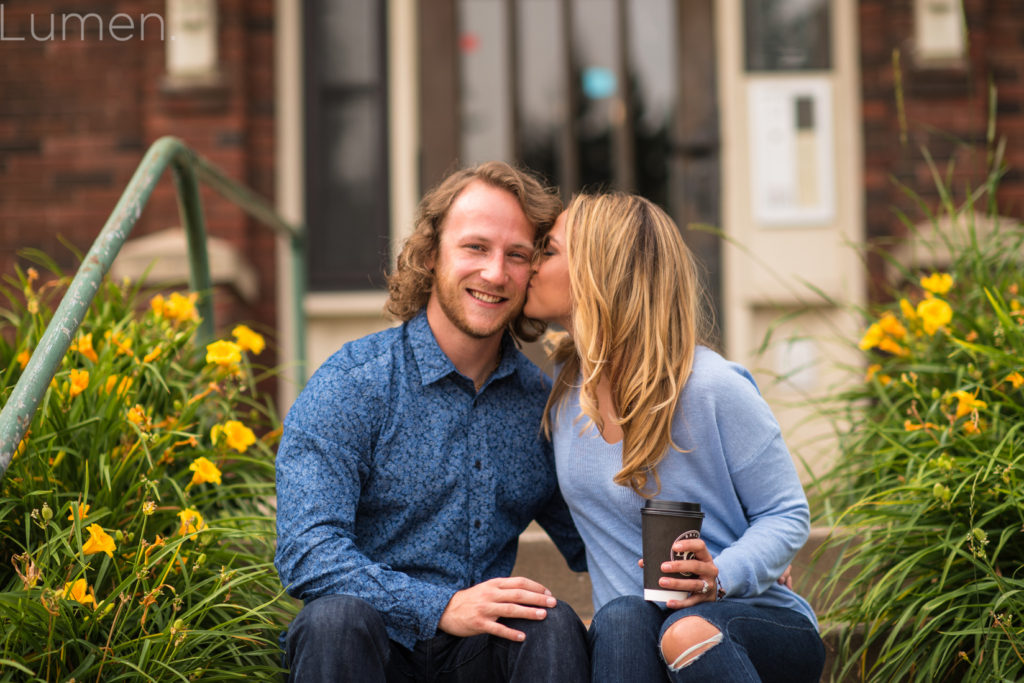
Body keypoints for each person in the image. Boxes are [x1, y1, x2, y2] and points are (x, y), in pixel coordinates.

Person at [275, 162, 590, 682]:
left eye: (516, 255)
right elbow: (308, 552)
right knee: (333, 619)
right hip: (373, 645)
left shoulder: (543, 405)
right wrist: (440, 606)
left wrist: (730, 557)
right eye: (475, 248)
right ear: (429, 256)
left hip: (481, 658)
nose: (495, 273)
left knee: (551, 624)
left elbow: (595, 535)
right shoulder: (355, 382)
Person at [523, 193, 825, 682]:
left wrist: (726, 573)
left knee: (683, 630)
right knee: (621, 618)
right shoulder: (563, 402)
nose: (531, 264)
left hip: (751, 625)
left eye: (549, 250)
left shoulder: (711, 387)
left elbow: (785, 515)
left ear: (599, 271)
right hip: (634, 636)